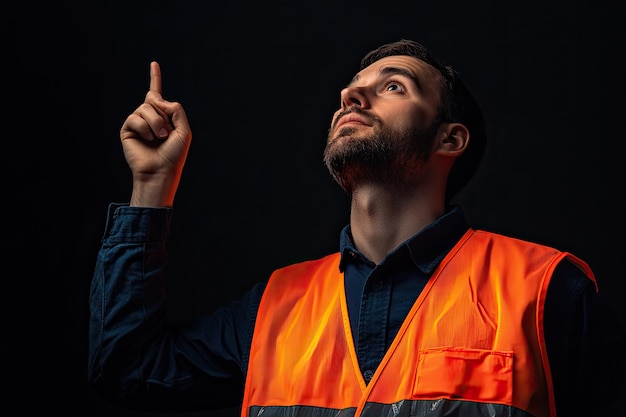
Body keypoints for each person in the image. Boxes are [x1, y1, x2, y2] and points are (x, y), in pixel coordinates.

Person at [88, 39, 626, 417]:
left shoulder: (547, 289)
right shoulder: (275, 307)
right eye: (351, 88)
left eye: (394, 86)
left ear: (449, 140)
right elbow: (130, 371)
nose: (351, 96)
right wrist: (152, 184)